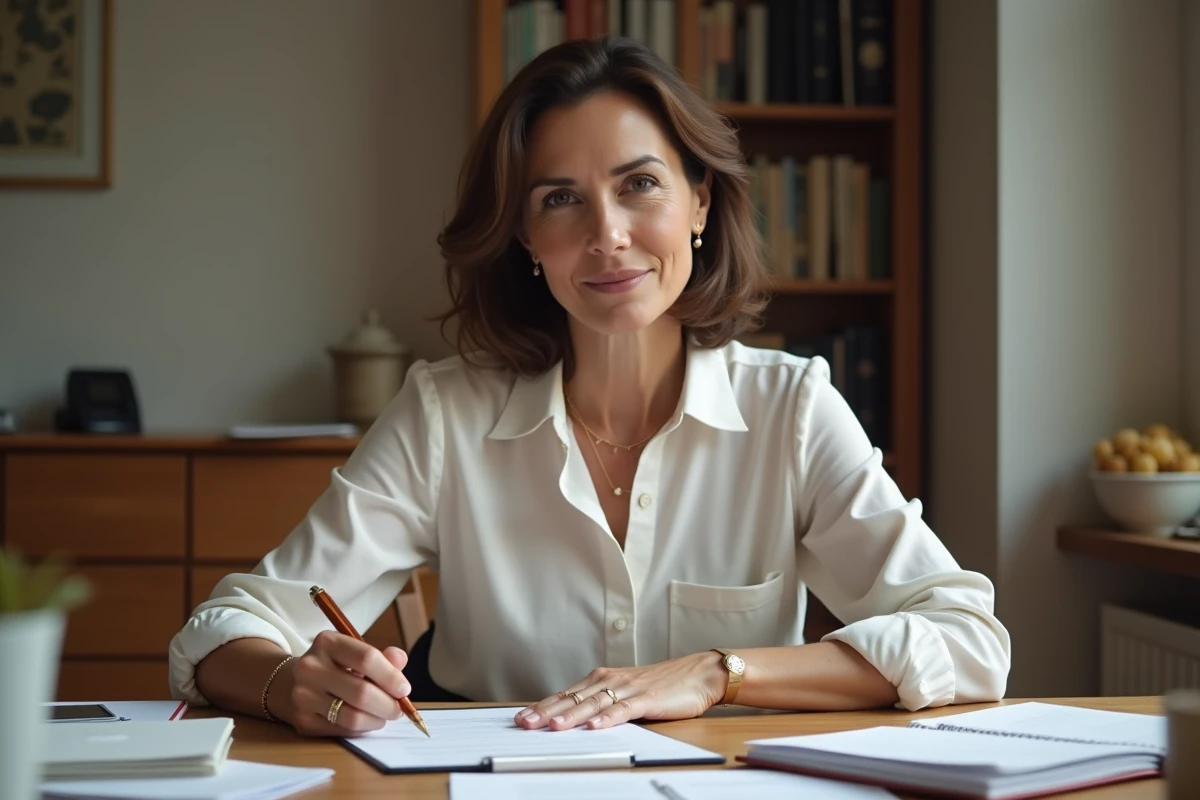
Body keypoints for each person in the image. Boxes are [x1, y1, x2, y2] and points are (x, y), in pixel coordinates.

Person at [169, 36, 1010, 738]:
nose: (607, 235)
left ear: (699, 203)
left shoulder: (790, 409)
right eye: (560, 198)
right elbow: (221, 631)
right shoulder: (444, 413)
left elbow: (969, 640)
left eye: (639, 184)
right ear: (526, 238)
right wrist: (290, 684)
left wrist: (720, 673)